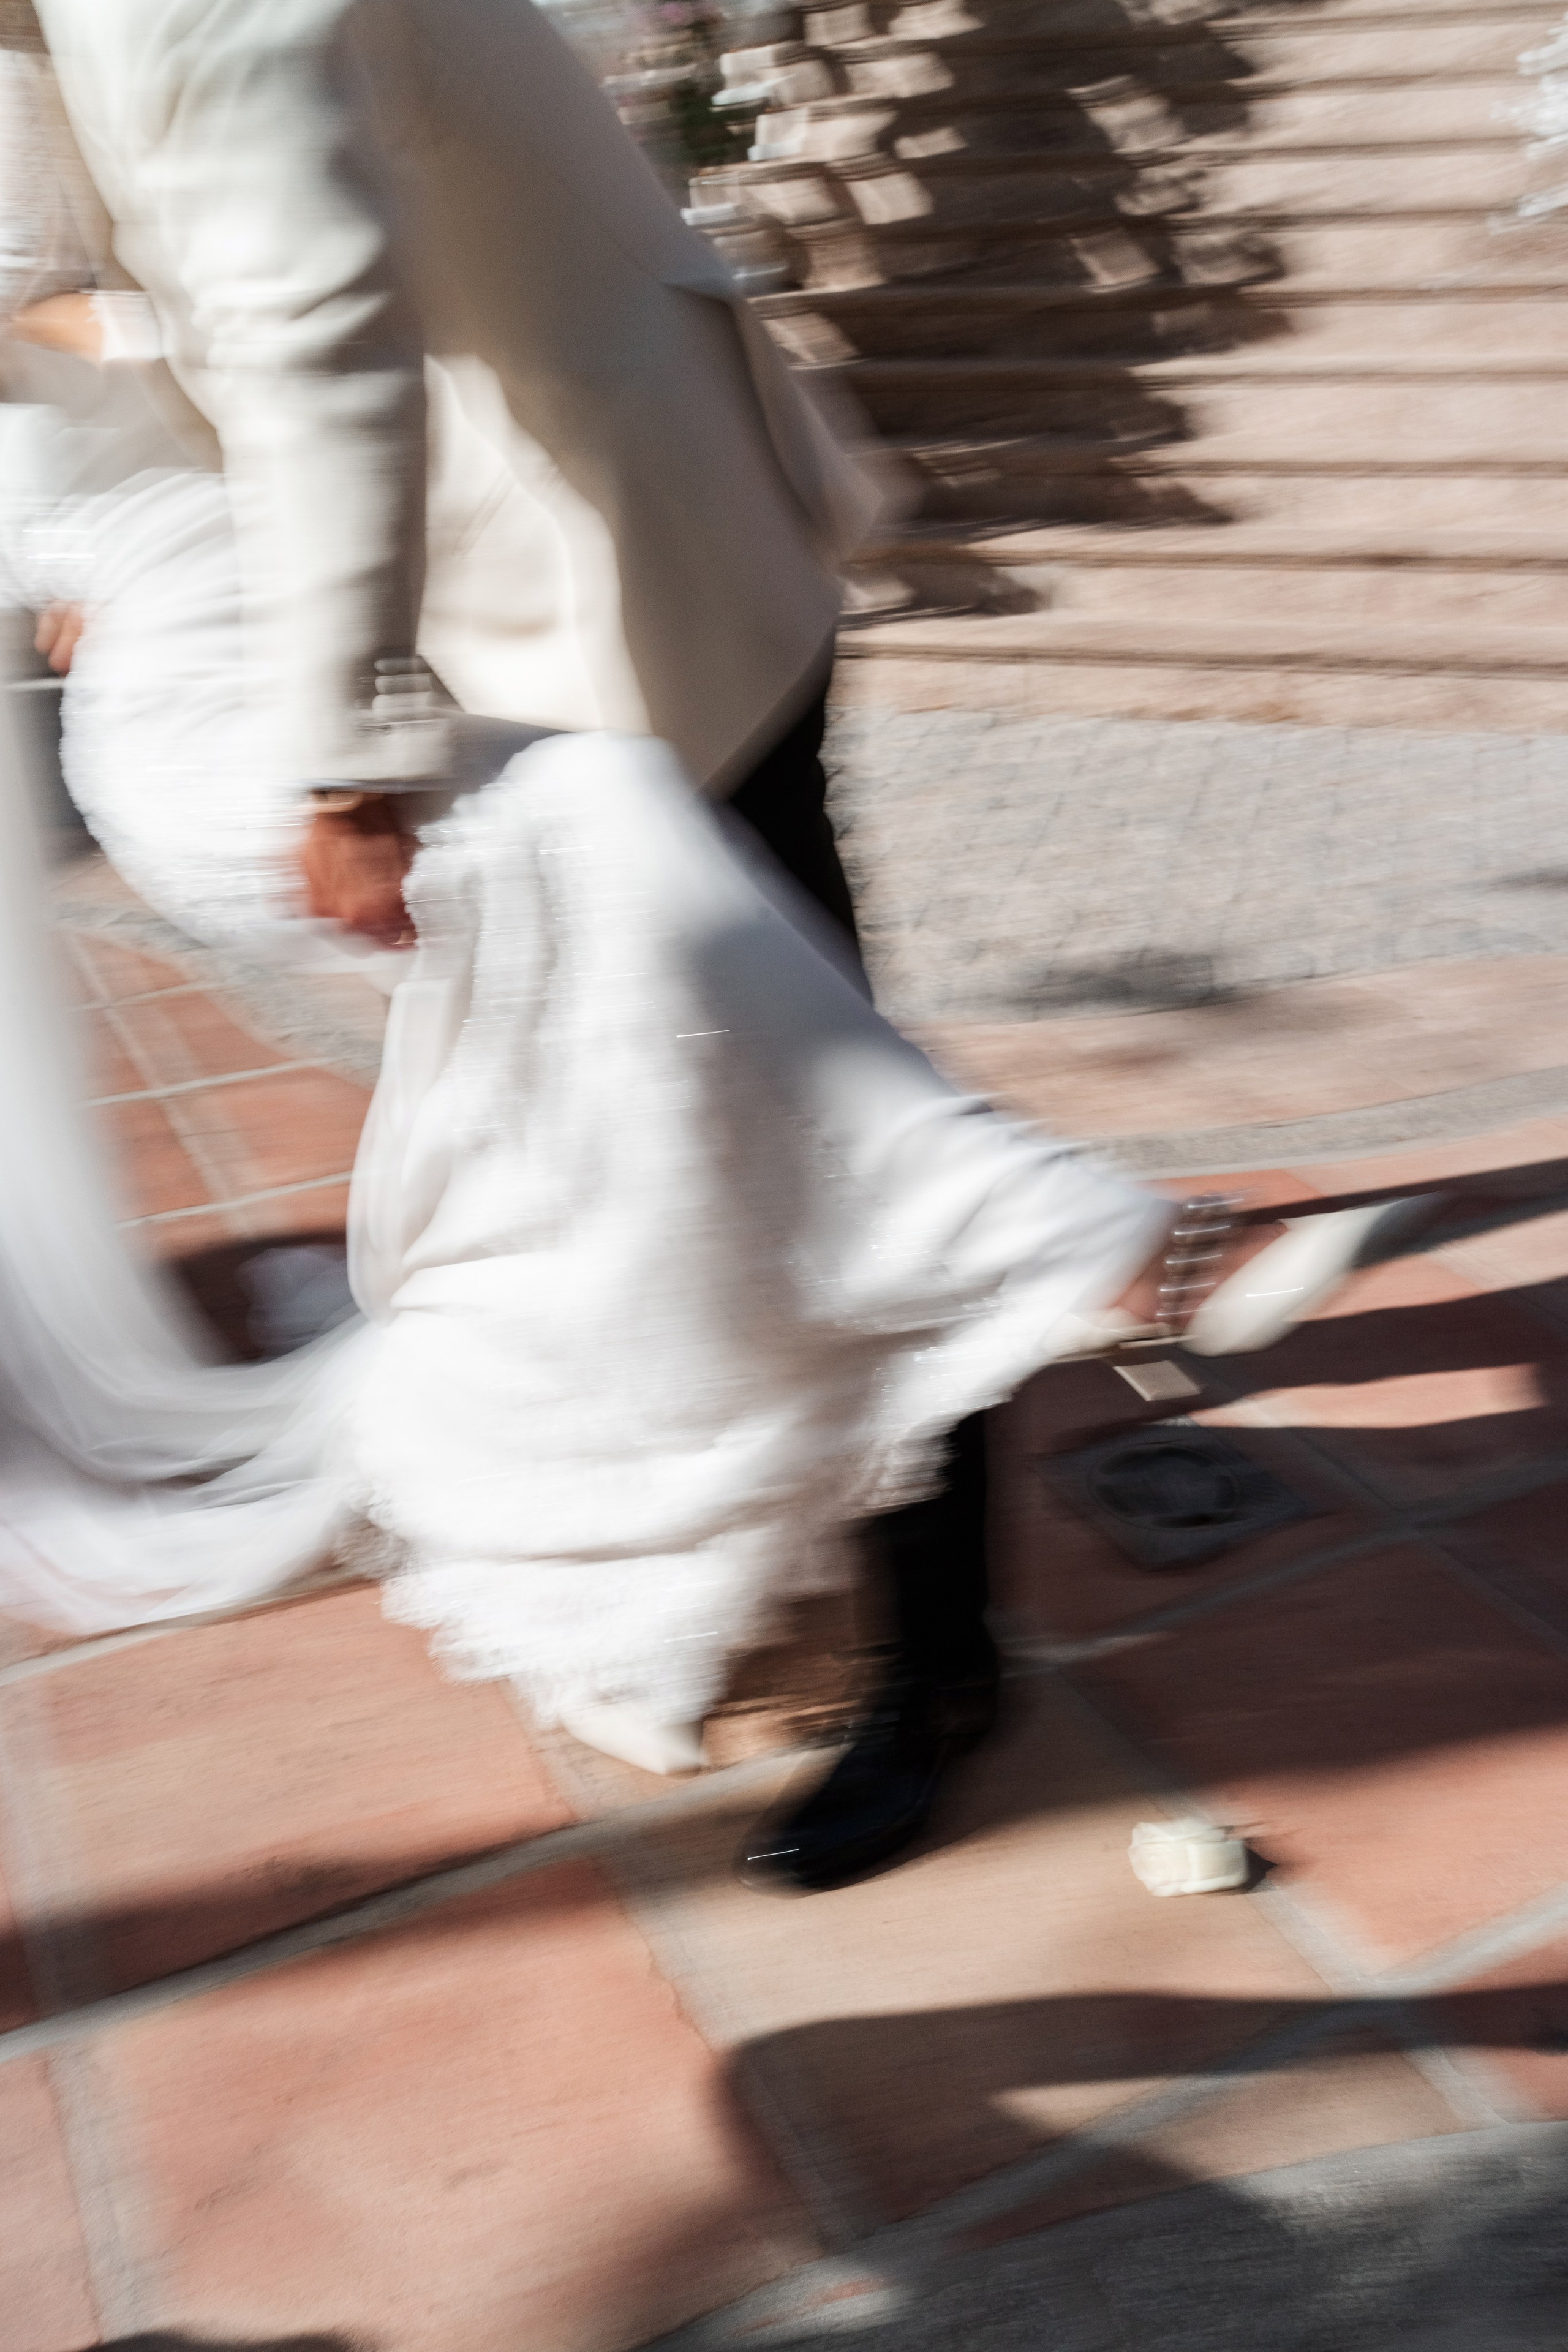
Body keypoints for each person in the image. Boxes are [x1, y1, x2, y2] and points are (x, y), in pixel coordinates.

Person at [0, 7, 1413, 1893]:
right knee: (683, 1086)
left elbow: (318, 337)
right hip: (559, 521)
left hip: (599, 564)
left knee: (784, 1077)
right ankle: (902, 1423)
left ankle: (946, 1642)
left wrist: (346, 764)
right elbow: (177, 293)